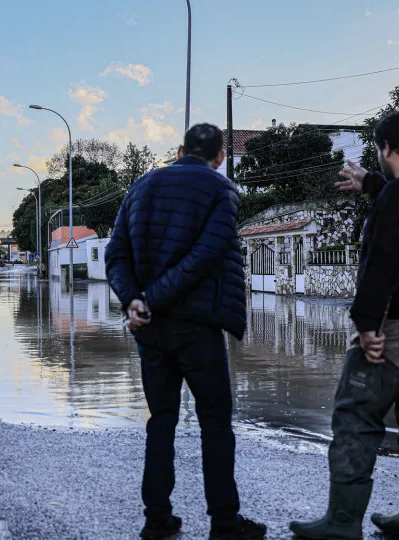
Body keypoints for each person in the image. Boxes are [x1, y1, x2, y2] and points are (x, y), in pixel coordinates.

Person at [289, 112, 399, 540]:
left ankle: (342, 521)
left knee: (356, 417)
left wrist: (366, 324)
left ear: (386, 147)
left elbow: (384, 262)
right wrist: (372, 183)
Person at [106, 123, 266, 540]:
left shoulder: (139, 187)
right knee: (216, 423)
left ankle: (157, 519)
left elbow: (116, 253)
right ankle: (225, 524)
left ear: (180, 151)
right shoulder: (221, 190)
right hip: (197, 327)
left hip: (149, 327)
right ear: (219, 158)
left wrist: (134, 301)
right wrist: (152, 299)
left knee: (161, 421)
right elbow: (205, 256)